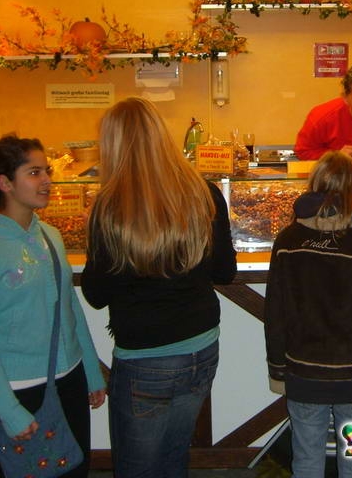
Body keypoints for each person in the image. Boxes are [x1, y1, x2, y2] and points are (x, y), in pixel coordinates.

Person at [80, 98, 237, 478]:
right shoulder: (204, 192)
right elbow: (225, 272)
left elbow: (96, 295)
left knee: (137, 469)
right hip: (202, 349)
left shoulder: (110, 207)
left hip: (145, 360)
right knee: (173, 458)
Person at [0, 136, 107, 478]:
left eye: (46, 171)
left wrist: (91, 370)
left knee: (76, 469)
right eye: (34, 172)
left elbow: (70, 308)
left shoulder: (51, 235)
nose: (47, 180)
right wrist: (8, 409)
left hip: (70, 377)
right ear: (5, 183)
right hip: (21, 387)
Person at [264, 150, 352, 478]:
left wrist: (277, 370)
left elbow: (275, 314)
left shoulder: (288, 240)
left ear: (314, 183)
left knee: (306, 460)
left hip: (303, 375)